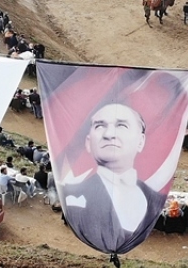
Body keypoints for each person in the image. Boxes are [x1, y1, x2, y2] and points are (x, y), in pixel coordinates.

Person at [61, 103, 167, 254]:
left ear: (140, 141)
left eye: (122, 126)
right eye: (99, 126)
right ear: (88, 142)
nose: (109, 134)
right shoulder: (71, 195)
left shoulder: (156, 200)